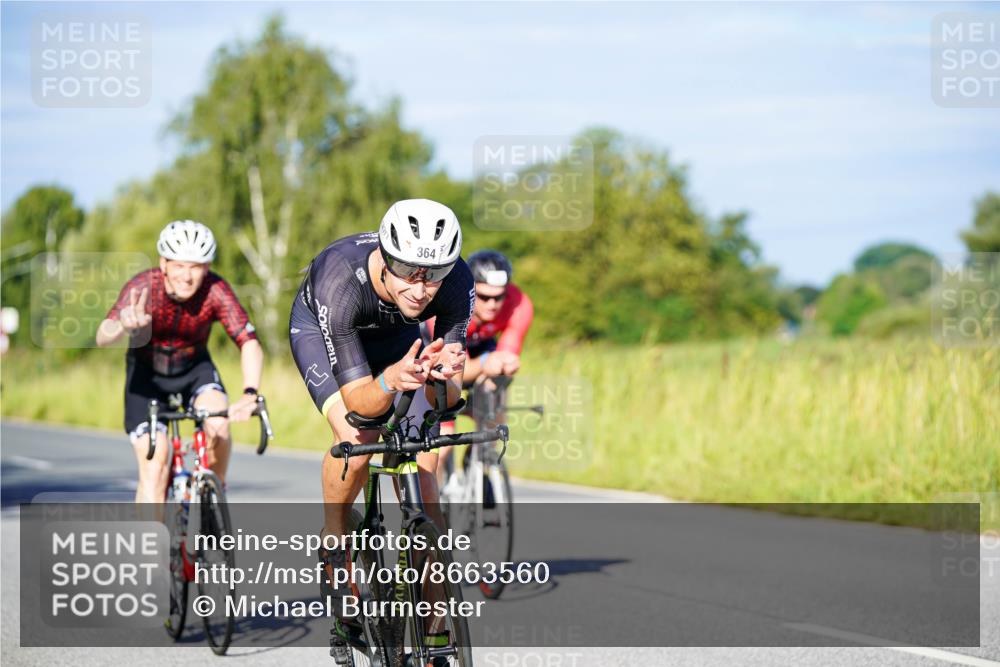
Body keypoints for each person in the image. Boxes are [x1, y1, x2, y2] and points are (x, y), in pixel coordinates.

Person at [288, 198, 473, 641]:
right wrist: (390, 381)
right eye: (409, 270)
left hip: (397, 339)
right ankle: (335, 542)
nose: (420, 287)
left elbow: (445, 402)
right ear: (386, 261)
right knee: (356, 433)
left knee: (425, 479)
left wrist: (444, 378)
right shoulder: (341, 279)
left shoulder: (457, 283)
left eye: (434, 274)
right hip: (325, 329)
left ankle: (434, 633)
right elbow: (359, 403)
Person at [96, 220, 264, 503]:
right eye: (179, 265)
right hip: (146, 377)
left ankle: (215, 491)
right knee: (156, 463)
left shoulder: (215, 290)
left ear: (207, 267)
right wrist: (122, 325)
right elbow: (103, 335)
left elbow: (249, 342)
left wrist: (250, 392)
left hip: (194, 369)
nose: (187, 276)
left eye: (196, 266)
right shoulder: (143, 287)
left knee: (219, 426)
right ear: (163, 263)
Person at [423, 249, 533, 481]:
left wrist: (500, 365)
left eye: (499, 297)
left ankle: (479, 451)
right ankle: (437, 499)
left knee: (496, 386)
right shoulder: (453, 302)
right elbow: (454, 373)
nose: (493, 305)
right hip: (441, 351)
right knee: (441, 448)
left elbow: (505, 356)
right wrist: (485, 363)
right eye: (484, 297)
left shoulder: (519, 304)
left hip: (481, 345)